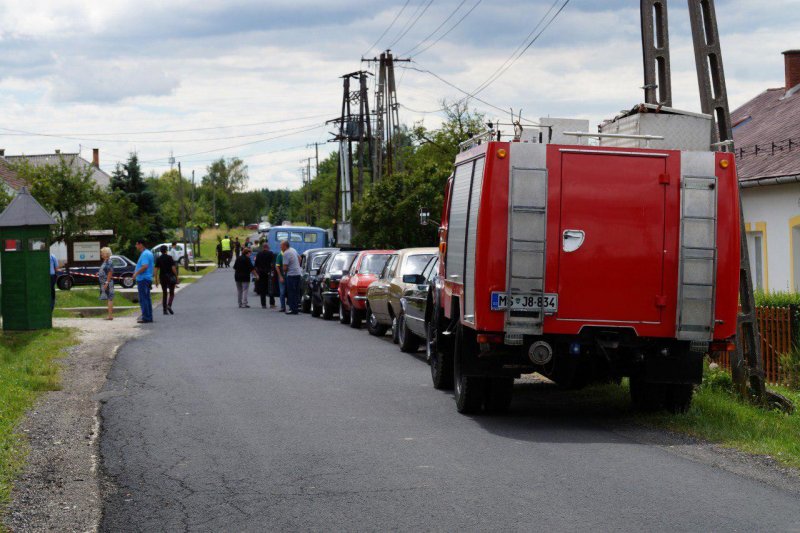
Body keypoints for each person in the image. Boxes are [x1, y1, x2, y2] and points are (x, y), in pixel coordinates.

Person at [133, 240, 155, 324]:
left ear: (141, 245)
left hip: (143, 279)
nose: (136, 246)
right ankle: (149, 316)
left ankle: (146, 317)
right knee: (147, 298)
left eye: (136, 244)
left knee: (143, 299)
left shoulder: (145, 254)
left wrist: (136, 274)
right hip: (147, 278)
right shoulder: (148, 253)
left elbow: (145, 266)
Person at [155, 245, 178, 315]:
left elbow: (155, 270)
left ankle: (164, 310)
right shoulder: (170, 258)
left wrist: (156, 280)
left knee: (164, 293)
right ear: (166, 250)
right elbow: (173, 268)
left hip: (162, 277)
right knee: (171, 293)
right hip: (170, 277)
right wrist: (176, 276)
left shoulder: (158, 259)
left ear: (160, 251)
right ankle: (169, 305)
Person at [281, 240, 302, 315]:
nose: (281, 247)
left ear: (285, 246)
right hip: (298, 273)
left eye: (281, 246)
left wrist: (286, 270)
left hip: (291, 274)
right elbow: (300, 258)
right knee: (296, 292)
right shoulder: (293, 249)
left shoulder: (286, 253)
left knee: (291, 292)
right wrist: (297, 266)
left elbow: (284, 268)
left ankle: (292, 309)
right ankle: (296, 308)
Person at [254, 243, 276, 309]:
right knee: (270, 288)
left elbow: (256, 264)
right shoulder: (271, 254)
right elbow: (273, 264)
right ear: (268, 247)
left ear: (263, 247)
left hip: (261, 273)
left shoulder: (258, 254)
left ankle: (263, 304)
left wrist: (258, 271)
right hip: (269, 273)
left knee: (262, 289)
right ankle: (272, 304)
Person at [98, 247, 115, 320]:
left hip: (107, 282)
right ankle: (109, 315)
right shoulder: (105, 261)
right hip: (104, 281)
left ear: (106, 253)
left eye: (102, 252)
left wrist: (107, 282)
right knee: (108, 298)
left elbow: (110, 272)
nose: (101, 254)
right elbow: (104, 270)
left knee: (109, 298)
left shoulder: (109, 261)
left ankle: (110, 316)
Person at [274, 245, 286, 312]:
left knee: (289, 291)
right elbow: (277, 267)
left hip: (288, 275)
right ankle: (282, 307)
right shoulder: (280, 255)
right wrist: (280, 276)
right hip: (282, 276)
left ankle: (290, 305)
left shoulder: (289, 253)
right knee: (282, 292)